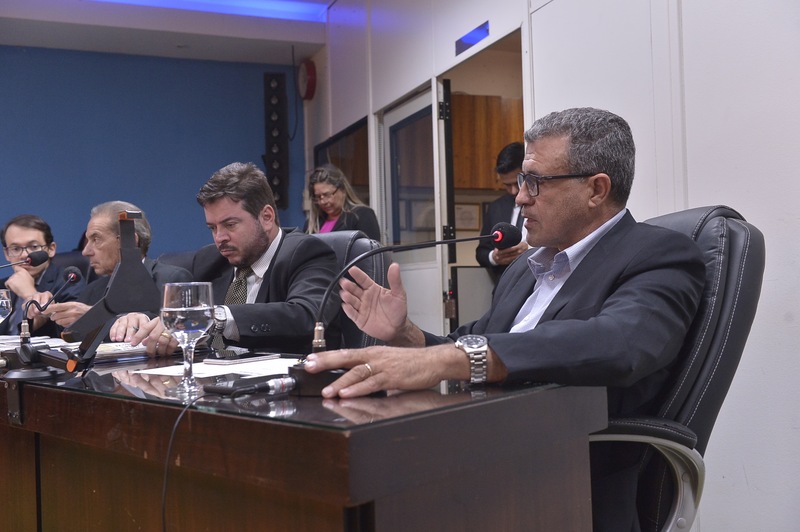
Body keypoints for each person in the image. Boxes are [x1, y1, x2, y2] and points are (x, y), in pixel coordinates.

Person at [303, 107, 707, 532]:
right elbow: (474, 341)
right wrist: (406, 335)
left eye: (535, 182)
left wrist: (451, 360)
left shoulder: (659, 254)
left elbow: (620, 343)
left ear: (596, 189)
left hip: (566, 480)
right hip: (484, 459)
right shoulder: (524, 269)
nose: (519, 198)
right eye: (520, 181)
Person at [112, 162, 342, 357]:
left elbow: (306, 316)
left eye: (230, 225)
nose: (219, 238)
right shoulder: (210, 260)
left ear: (266, 217)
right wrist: (143, 319)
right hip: (211, 385)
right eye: (212, 228)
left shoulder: (307, 252)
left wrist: (215, 317)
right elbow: (179, 315)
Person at [40, 201, 192, 328]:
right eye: (88, 241)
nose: (85, 252)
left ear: (129, 241)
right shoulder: (93, 290)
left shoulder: (171, 280)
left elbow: (174, 334)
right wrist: (46, 314)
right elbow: (64, 340)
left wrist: (93, 317)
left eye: (96, 239)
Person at [0, 214, 86, 337]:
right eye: (16, 248)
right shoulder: (3, 286)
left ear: (51, 249)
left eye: (33, 247)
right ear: (6, 254)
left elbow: (73, 333)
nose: (24, 255)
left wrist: (29, 294)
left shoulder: (69, 282)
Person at [475, 142, 531, 284]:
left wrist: (530, 250)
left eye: (517, 182)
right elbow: (481, 252)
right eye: (507, 185)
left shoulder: (544, 203)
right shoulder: (496, 208)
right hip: (504, 285)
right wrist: (495, 257)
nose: (513, 191)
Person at [304, 164, 381, 241]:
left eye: (327, 195)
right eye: (318, 197)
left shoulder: (362, 215)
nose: (322, 202)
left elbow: (370, 247)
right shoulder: (312, 223)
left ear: (343, 190)